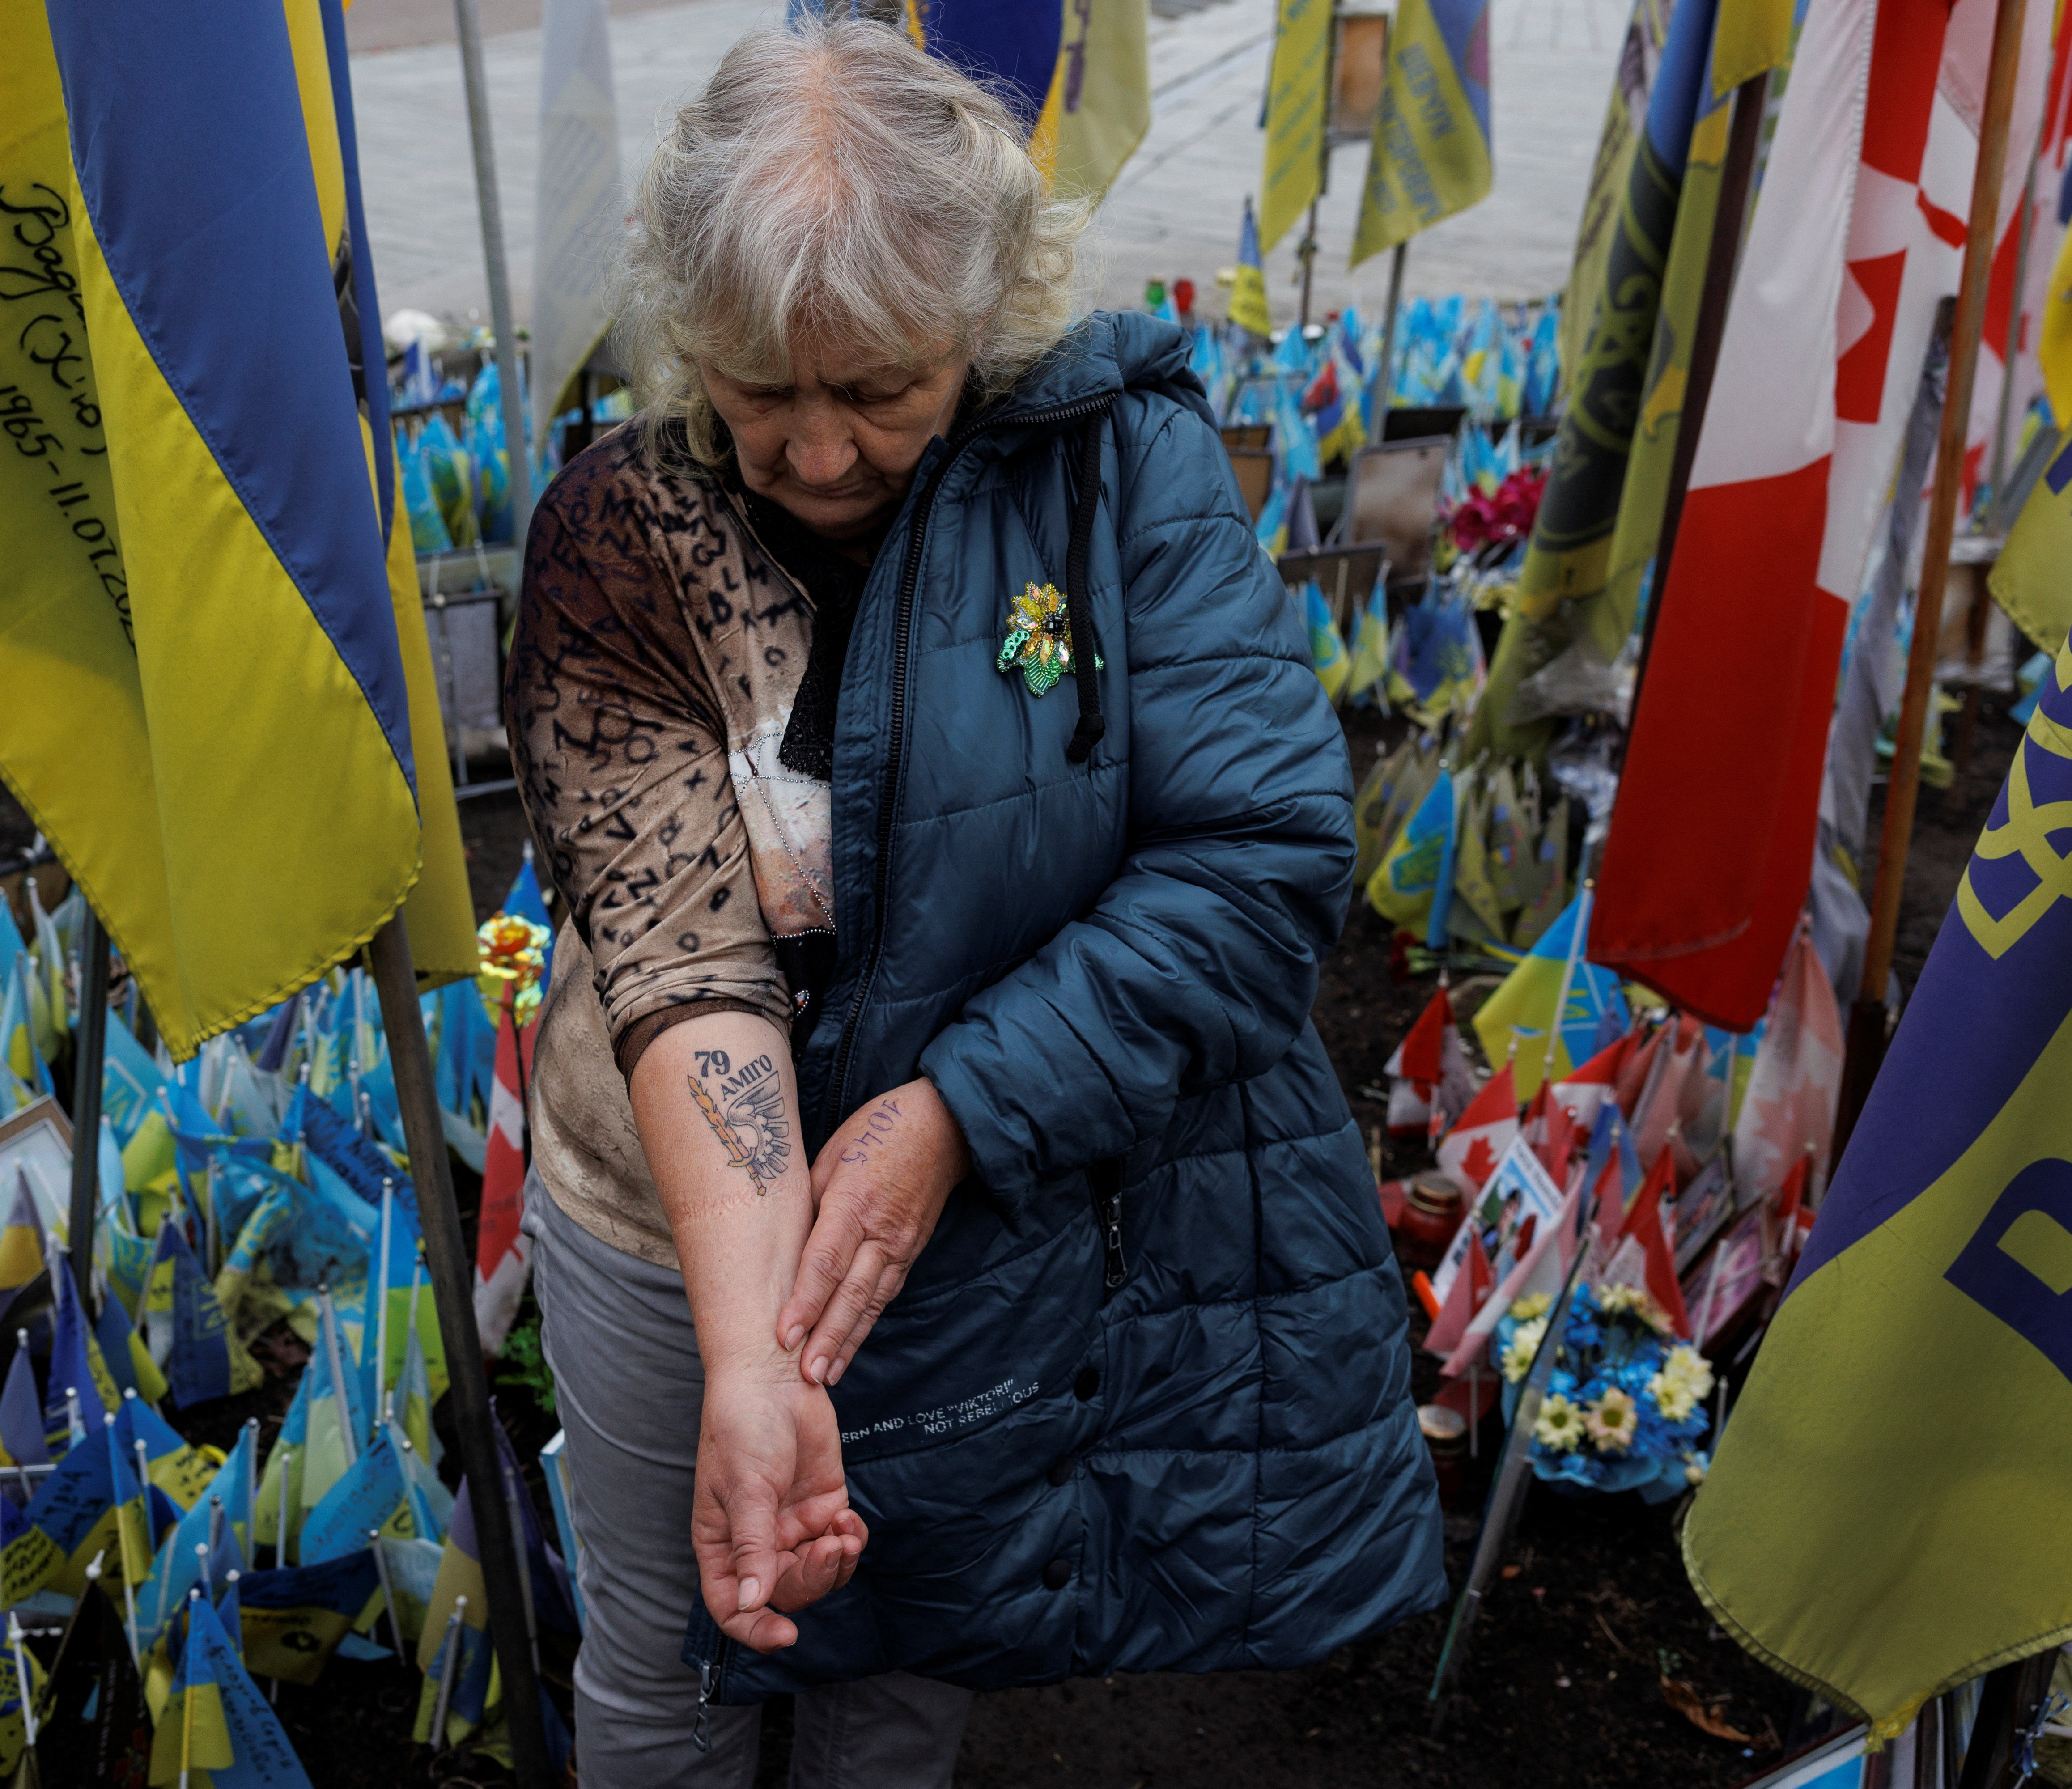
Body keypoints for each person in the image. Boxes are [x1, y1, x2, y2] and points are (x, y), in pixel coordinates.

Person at [504, 19, 1444, 1785]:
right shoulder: (617, 530)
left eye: (879, 389)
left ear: (985, 318)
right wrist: (753, 1353)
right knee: (675, 1662)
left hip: (979, 1197)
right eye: (762, 387)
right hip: (666, 1219)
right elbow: (676, 939)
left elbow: (1258, 856)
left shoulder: (1114, 471)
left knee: (910, 1651)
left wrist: (961, 1108)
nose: (821, 450)